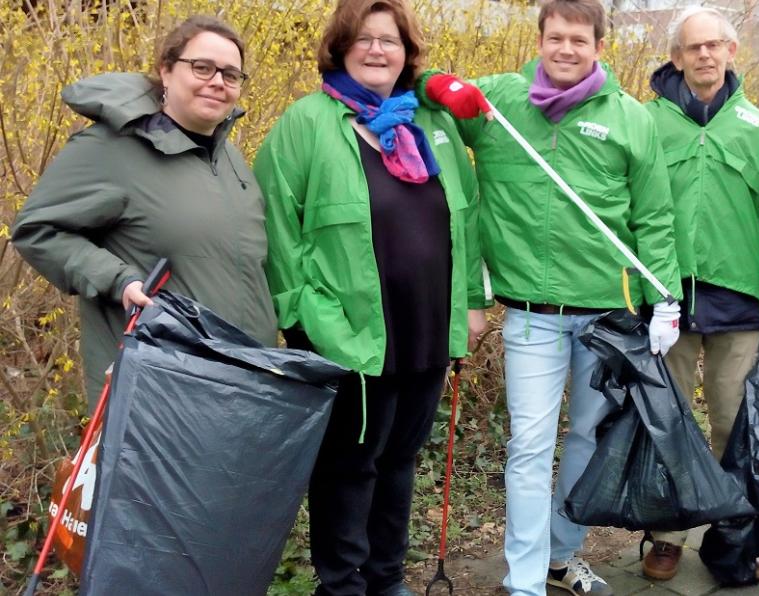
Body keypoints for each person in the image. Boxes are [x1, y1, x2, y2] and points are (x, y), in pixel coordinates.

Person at [422, 1, 681, 593]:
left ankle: (563, 556)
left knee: (588, 443)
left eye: (579, 40)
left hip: (608, 316)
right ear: (539, 40)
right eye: (556, 37)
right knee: (530, 446)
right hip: (532, 317)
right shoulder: (498, 102)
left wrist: (664, 298)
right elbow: (415, 81)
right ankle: (525, 581)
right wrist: (444, 85)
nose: (566, 49)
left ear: (599, 47)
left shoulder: (629, 118)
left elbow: (655, 218)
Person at [252, 1, 486, 594]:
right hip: (348, 330)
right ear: (340, 46)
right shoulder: (307, 122)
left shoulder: (429, 123)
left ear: (408, 54)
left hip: (428, 325)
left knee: (400, 460)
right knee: (350, 465)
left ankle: (386, 578)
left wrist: (472, 303)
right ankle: (342, 583)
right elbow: (277, 225)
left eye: (391, 41)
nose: (377, 50)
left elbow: (468, 216)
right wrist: (299, 313)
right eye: (365, 38)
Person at [13, 15, 277, 406]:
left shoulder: (232, 160)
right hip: (158, 392)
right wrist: (117, 279)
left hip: (240, 385)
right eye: (202, 67)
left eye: (231, 74)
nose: (218, 81)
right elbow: (37, 229)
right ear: (166, 71)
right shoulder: (110, 148)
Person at [639, 5, 759, 583]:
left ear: (731, 51)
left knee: (734, 424)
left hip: (740, 304)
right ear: (676, 57)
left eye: (715, 45)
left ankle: (731, 540)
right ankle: (667, 535)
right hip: (667, 301)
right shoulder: (646, 121)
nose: (705, 55)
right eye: (693, 47)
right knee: (668, 421)